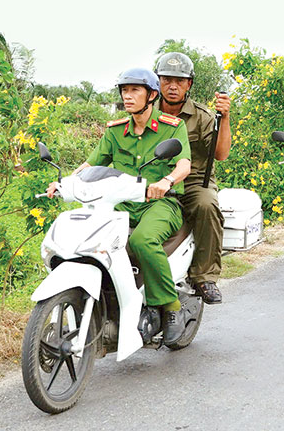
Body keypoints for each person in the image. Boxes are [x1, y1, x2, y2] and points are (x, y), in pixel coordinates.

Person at [47, 68, 193, 345]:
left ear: (152, 95)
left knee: (142, 240)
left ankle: (171, 308)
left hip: (159, 203)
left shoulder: (173, 127)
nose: (128, 96)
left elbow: (184, 164)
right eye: (124, 91)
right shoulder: (116, 131)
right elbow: (91, 164)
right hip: (121, 204)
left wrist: (166, 180)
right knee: (91, 241)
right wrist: (64, 183)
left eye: (135, 90)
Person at [154, 52, 231, 305]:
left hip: (194, 181)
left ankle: (205, 276)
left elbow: (220, 154)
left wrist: (225, 118)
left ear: (189, 84)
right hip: (153, 180)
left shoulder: (202, 115)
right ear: (158, 82)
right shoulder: (147, 112)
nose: (172, 86)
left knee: (207, 206)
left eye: (179, 80)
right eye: (166, 79)